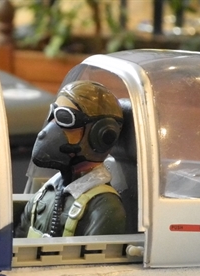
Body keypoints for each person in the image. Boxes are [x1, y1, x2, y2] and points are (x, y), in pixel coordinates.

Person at [14, 80, 127, 238]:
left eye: (65, 118)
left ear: (100, 135)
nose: (48, 130)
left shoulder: (103, 206)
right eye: (52, 114)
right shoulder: (45, 193)